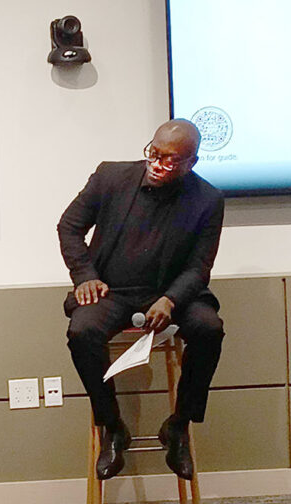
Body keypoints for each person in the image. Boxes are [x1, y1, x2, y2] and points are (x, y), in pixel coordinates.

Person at [57, 119, 225, 481]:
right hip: (111, 290)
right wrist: (86, 276)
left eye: (170, 159)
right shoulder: (110, 177)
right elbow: (68, 226)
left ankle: (178, 426)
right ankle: (113, 427)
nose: (158, 164)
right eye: (154, 153)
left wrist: (171, 299)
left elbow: (199, 266)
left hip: (171, 292)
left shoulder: (208, 200)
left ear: (191, 163)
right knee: (82, 331)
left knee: (209, 329)